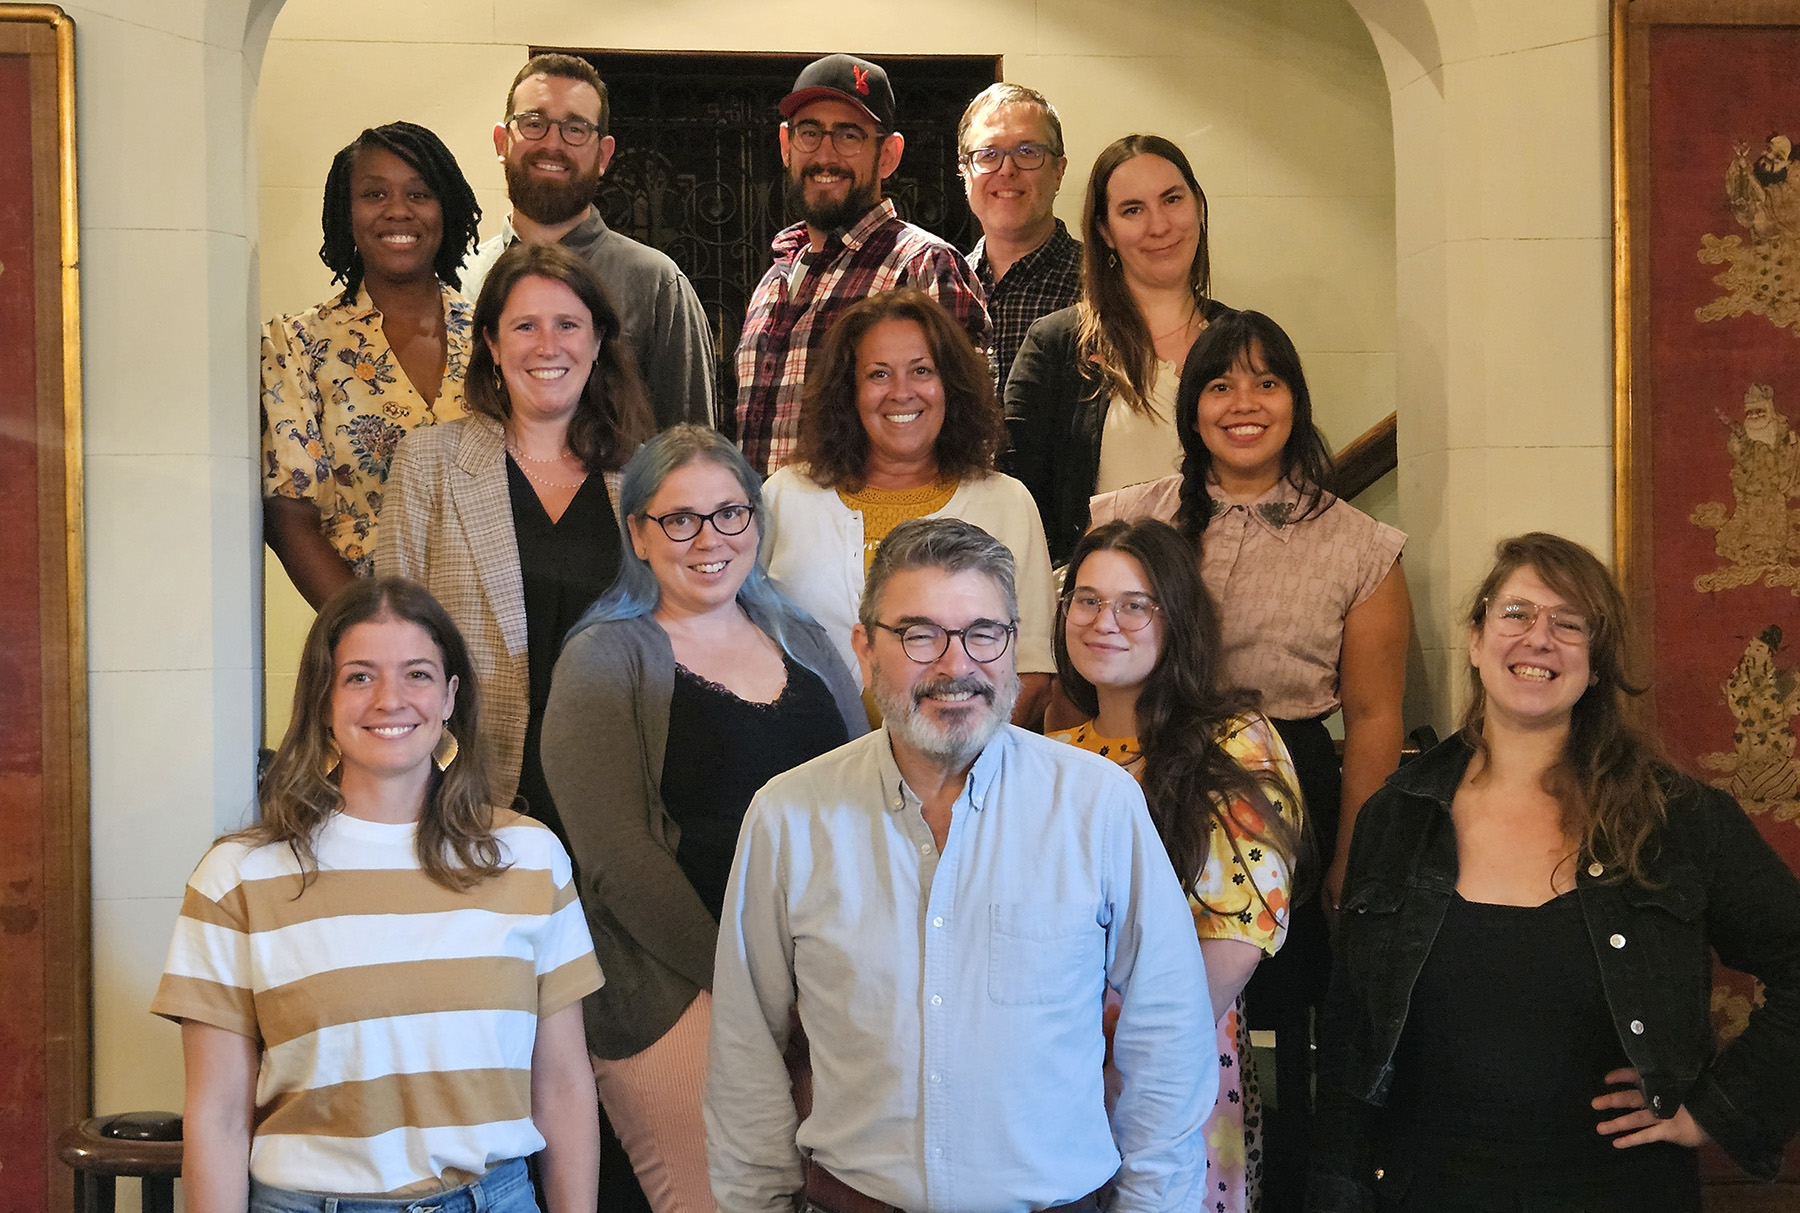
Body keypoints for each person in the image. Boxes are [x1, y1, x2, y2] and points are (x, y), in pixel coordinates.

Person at [706, 518, 1214, 1213]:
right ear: (865, 648)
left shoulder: (1098, 806)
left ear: (1012, 646)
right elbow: (744, 1048)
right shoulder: (789, 817)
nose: (956, 665)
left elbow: (1168, 1039)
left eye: (983, 633)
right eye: (920, 634)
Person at [1309, 532, 1800, 1212]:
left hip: (1618, 1191)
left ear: (1595, 664)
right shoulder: (1397, 815)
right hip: (1424, 1188)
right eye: (1516, 613)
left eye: (1569, 624)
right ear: (1476, 639)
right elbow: (1348, 1036)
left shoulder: (1676, 818)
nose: (1539, 638)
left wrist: (1719, 1107)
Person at [1088, 307, 1411, 1212]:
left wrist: (1352, 856)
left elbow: (1379, 716)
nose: (1244, 403)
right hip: (1140, 773)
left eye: (1268, 382)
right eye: (1222, 383)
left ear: (1297, 403)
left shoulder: (1360, 545)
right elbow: (1085, 662)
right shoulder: (1127, 517)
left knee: (1272, 1027)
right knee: (1127, 1001)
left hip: (1286, 793)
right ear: (1192, 406)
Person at [152, 576, 601, 1213]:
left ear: (449, 697)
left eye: (417, 674)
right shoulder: (237, 877)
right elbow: (219, 1117)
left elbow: (561, 1086)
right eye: (359, 677)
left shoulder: (529, 857)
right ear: (323, 701)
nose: (391, 699)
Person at [538, 425, 866, 1213]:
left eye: (730, 513)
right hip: (678, 981)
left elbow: (867, 792)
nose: (710, 537)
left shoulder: (806, 640)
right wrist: (750, 984)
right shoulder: (605, 657)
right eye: (679, 518)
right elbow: (619, 863)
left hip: (826, 983)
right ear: (639, 535)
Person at [1051, 518, 1308, 1213]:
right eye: (1088, 598)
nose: (1107, 621)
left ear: (1180, 620)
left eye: (1137, 603)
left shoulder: (1235, 745)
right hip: (1049, 1074)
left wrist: (1118, 1070)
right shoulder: (1048, 752)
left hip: (1174, 1064)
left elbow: (1235, 938)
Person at [377, 240, 655, 832]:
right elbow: (389, 640)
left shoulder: (644, 479)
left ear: (598, 343)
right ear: (493, 346)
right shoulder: (429, 462)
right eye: (525, 326)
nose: (548, 346)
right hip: (472, 790)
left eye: (568, 325)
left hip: (618, 792)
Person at [762, 288, 1056, 727]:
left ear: (950, 386)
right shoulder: (785, 496)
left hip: (968, 772)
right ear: (850, 392)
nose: (902, 392)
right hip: (804, 768)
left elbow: (1033, 668)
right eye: (878, 375)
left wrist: (955, 765)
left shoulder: (1006, 503)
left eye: (921, 370)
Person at [735, 52, 989, 478]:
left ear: (888, 154)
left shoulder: (925, 267)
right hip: (763, 541)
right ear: (785, 145)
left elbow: (964, 443)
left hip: (874, 539)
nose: (825, 155)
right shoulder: (773, 281)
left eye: (849, 135)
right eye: (810, 132)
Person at [262, 121, 481, 607]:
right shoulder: (297, 344)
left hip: (498, 637)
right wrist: (378, 636)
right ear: (346, 213)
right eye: (375, 193)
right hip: (363, 630)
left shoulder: (497, 336)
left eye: (419, 194)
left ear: (446, 209)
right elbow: (289, 518)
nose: (398, 211)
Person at [462, 52, 715, 430]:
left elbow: (690, 450)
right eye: (534, 123)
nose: (553, 143)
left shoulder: (657, 285)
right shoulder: (461, 280)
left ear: (603, 154)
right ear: (502, 142)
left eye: (576, 129)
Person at [1004, 133, 1224, 564]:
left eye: (1172, 199)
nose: (1159, 225)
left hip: (1224, 606)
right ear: (1104, 230)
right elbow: (1017, 504)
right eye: (1133, 210)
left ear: (1197, 204)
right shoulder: (1055, 346)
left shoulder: (1242, 342)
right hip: (1102, 615)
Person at [957, 83, 1081, 401]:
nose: (1007, 170)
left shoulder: (1106, 286)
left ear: (1059, 170)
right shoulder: (943, 285)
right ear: (965, 174)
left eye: (1027, 152)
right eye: (988, 154)